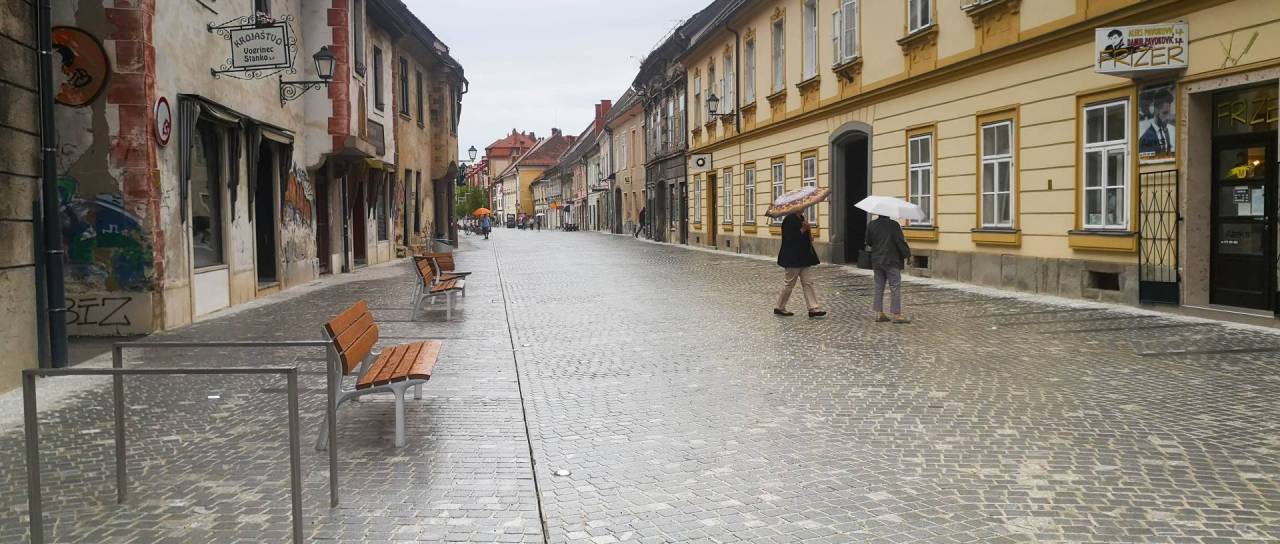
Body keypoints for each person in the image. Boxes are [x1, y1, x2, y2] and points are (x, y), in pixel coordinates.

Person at [774, 212, 826, 318]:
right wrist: (803, 229)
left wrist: (809, 233)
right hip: (792, 258)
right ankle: (779, 307)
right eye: (801, 206)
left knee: (808, 283)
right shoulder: (789, 220)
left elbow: (805, 238)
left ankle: (813, 308)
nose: (803, 208)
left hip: (804, 257)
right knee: (789, 284)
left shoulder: (802, 218)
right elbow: (790, 239)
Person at [866, 214, 912, 323]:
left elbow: (868, 242)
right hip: (892, 260)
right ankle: (897, 315)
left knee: (879, 286)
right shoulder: (894, 225)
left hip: (877, 260)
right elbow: (900, 242)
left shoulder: (872, 224)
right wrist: (907, 255)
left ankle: (879, 313)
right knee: (895, 286)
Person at [1139, 89, 1174, 156]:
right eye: (1165, 113)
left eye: (1169, 113)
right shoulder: (1145, 138)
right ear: (1156, 110)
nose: (1167, 118)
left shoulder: (1171, 131)